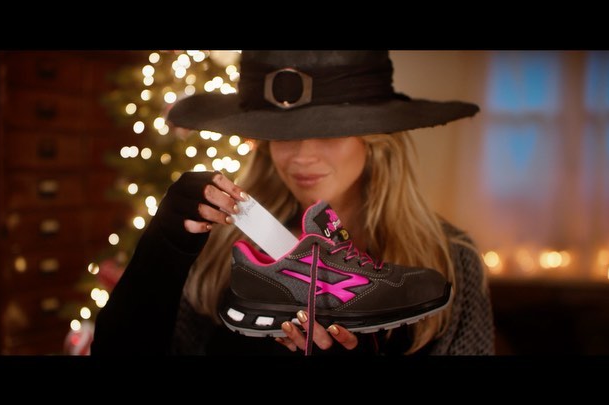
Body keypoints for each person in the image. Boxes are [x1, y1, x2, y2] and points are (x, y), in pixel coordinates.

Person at [91, 50, 495, 355]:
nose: (302, 156)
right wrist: (164, 247)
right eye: (283, 133)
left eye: (329, 131)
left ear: (374, 139)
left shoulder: (450, 260)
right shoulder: (222, 251)